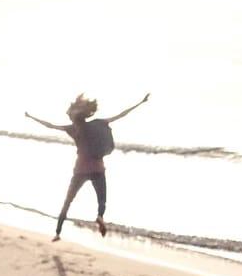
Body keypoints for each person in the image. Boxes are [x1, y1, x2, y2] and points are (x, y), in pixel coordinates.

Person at [25, 93, 149, 241]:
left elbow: (49, 125)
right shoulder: (99, 123)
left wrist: (31, 117)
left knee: (68, 201)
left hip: (80, 170)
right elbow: (122, 114)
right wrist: (141, 102)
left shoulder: (73, 128)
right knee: (102, 200)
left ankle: (58, 233)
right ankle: (100, 216)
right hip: (98, 169)